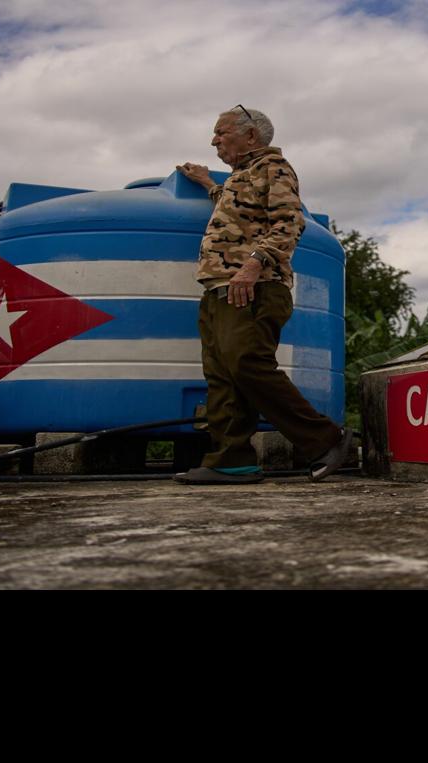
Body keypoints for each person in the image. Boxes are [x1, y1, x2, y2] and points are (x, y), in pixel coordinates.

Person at [173, 105, 352, 484]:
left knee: (247, 365)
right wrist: (207, 183)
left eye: (221, 133)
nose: (213, 140)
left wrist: (254, 264)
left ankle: (326, 440)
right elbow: (234, 207)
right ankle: (231, 459)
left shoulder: (275, 168)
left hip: (254, 286)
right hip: (219, 287)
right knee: (221, 375)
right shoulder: (242, 177)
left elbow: (289, 222)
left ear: (250, 135)